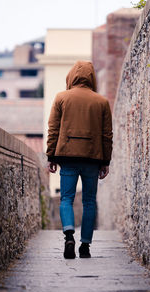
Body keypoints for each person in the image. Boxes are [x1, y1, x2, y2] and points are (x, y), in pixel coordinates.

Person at [46, 61, 113, 259]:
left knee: (66, 198)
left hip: (67, 156)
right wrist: (105, 161)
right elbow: (107, 134)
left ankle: (68, 236)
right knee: (90, 201)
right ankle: (85, 245)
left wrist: (51, 155)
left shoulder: (61, 98)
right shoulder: (101, 102)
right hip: (92, 158)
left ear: (71, 76)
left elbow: (53, 130)